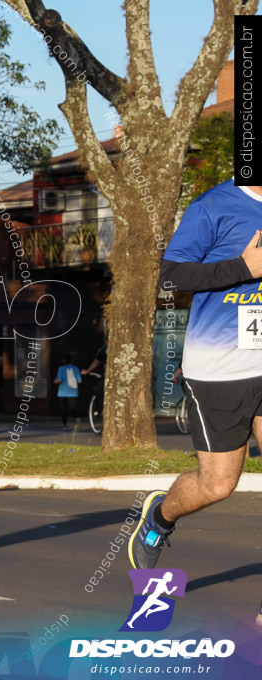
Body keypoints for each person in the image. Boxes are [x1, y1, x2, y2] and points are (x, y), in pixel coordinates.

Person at [129, 179, 262, 570]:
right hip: (221, 369)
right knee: (218, 484)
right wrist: (243, 268)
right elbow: (170, 276)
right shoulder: (213, 206)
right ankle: (160, 517)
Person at [53, 354, 81, 429]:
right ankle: (77, 418)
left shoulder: (61, 368)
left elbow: (59, 380)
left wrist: (55, 381)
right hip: (73, 391)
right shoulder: (75, 368)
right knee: (73, 407)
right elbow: (79, 381)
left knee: (64, 408)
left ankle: (64, 424)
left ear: (63, 360)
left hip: (63, 391)